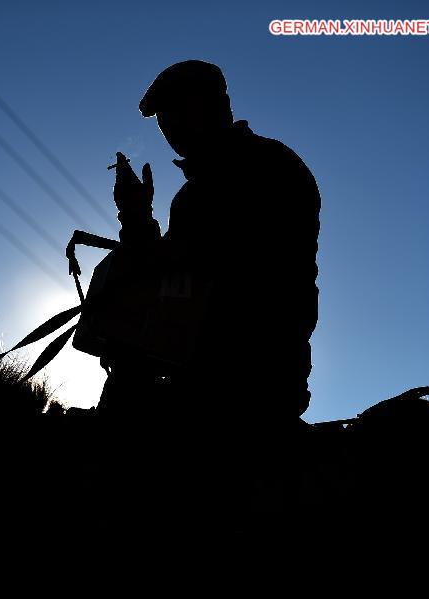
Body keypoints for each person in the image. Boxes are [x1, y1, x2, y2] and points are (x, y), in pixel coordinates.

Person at [101, 60, 320, 429]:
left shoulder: (268, 164)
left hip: (248, 379)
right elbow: (166, 280)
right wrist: (136, 217)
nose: (169, 127)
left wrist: (139, 221)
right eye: (163, 119)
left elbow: (215, 266)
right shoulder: (192, 194)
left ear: (216, 105)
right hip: (190, 369)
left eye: (178, 110)